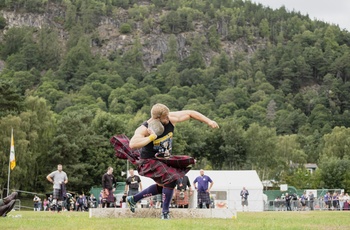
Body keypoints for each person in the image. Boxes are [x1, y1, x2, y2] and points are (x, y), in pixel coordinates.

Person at [112, 103, 219, 219]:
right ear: (157, 118)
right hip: (148, 161)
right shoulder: (145, 128)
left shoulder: (170, 119)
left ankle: (133, 199)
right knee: (171, 178)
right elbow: (132, 144)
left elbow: (190, 113)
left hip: (163, 159)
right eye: (165, 117)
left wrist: (209, 121)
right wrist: (150, 138)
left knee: (163, 186)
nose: (168, 118)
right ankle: (165, 213)